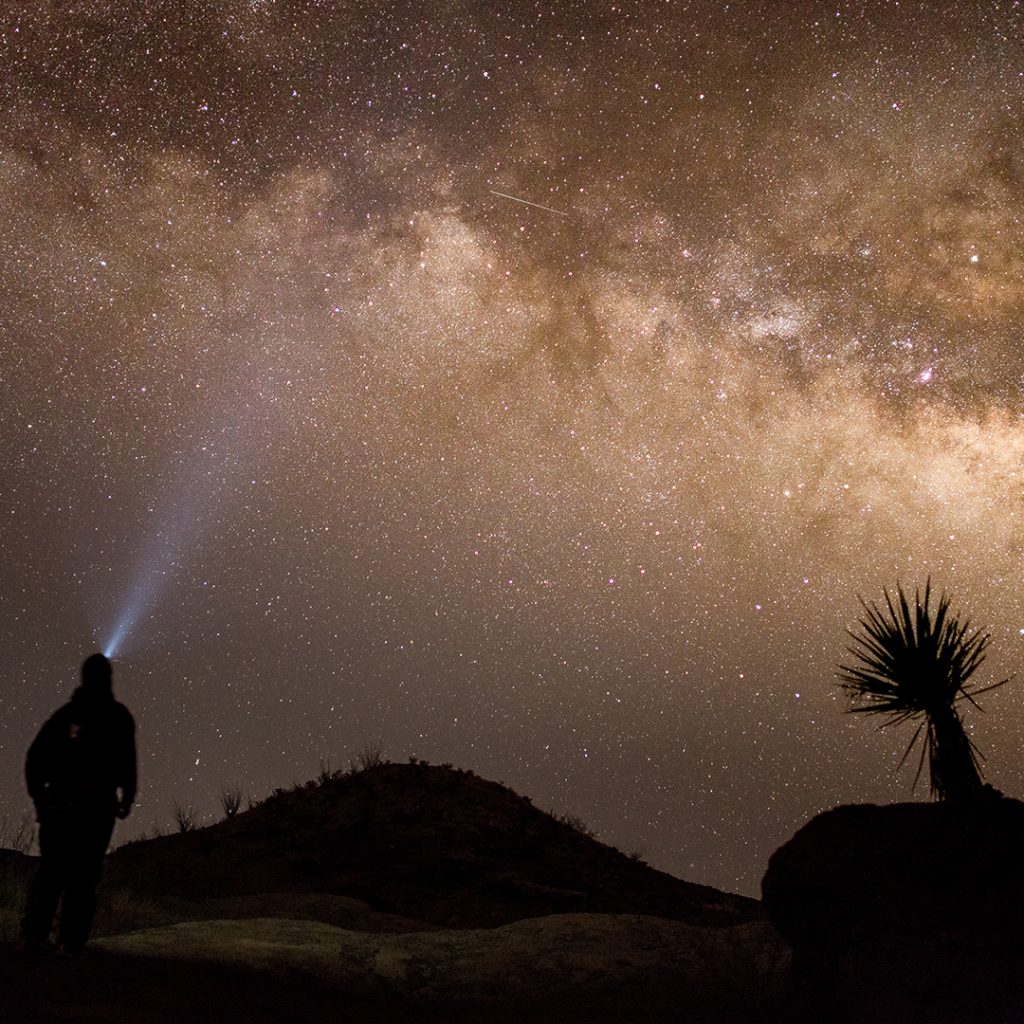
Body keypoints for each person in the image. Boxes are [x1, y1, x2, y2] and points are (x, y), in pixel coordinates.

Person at [20, 653, 136, 956]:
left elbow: (34, 760)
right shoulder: (118, 717)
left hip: (61, 810)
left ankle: (36, 938)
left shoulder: (64, 716)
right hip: (96, 812)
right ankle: (70, 944)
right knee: (83, 877)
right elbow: (127, 763)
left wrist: (41, 799)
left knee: (53, 873)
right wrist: (127, 798)